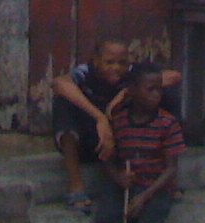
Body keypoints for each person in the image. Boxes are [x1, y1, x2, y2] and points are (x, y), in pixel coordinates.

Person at [95, 62, 192, 223]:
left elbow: (171, 169)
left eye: (159, 89)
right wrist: (117, 176)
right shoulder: (118, 121)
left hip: (156, 188)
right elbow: (107, 158)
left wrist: (144, 197)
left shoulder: (167, 123)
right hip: (127, 185)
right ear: (132, 91)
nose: (157, 95)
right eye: (150, 90)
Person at [52, 39, 182, 213]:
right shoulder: (85, 73)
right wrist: (100, 118)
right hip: (93, 141)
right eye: (109, 62)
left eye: (121, 62)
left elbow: (174, 76)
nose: (116, 68)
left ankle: (165, 179)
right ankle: (76, 187)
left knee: (160, 92)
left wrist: (124, 93)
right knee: (64, 103)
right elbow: (59, 83)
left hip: (125, 140)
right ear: (96, 61)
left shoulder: (131, 73)